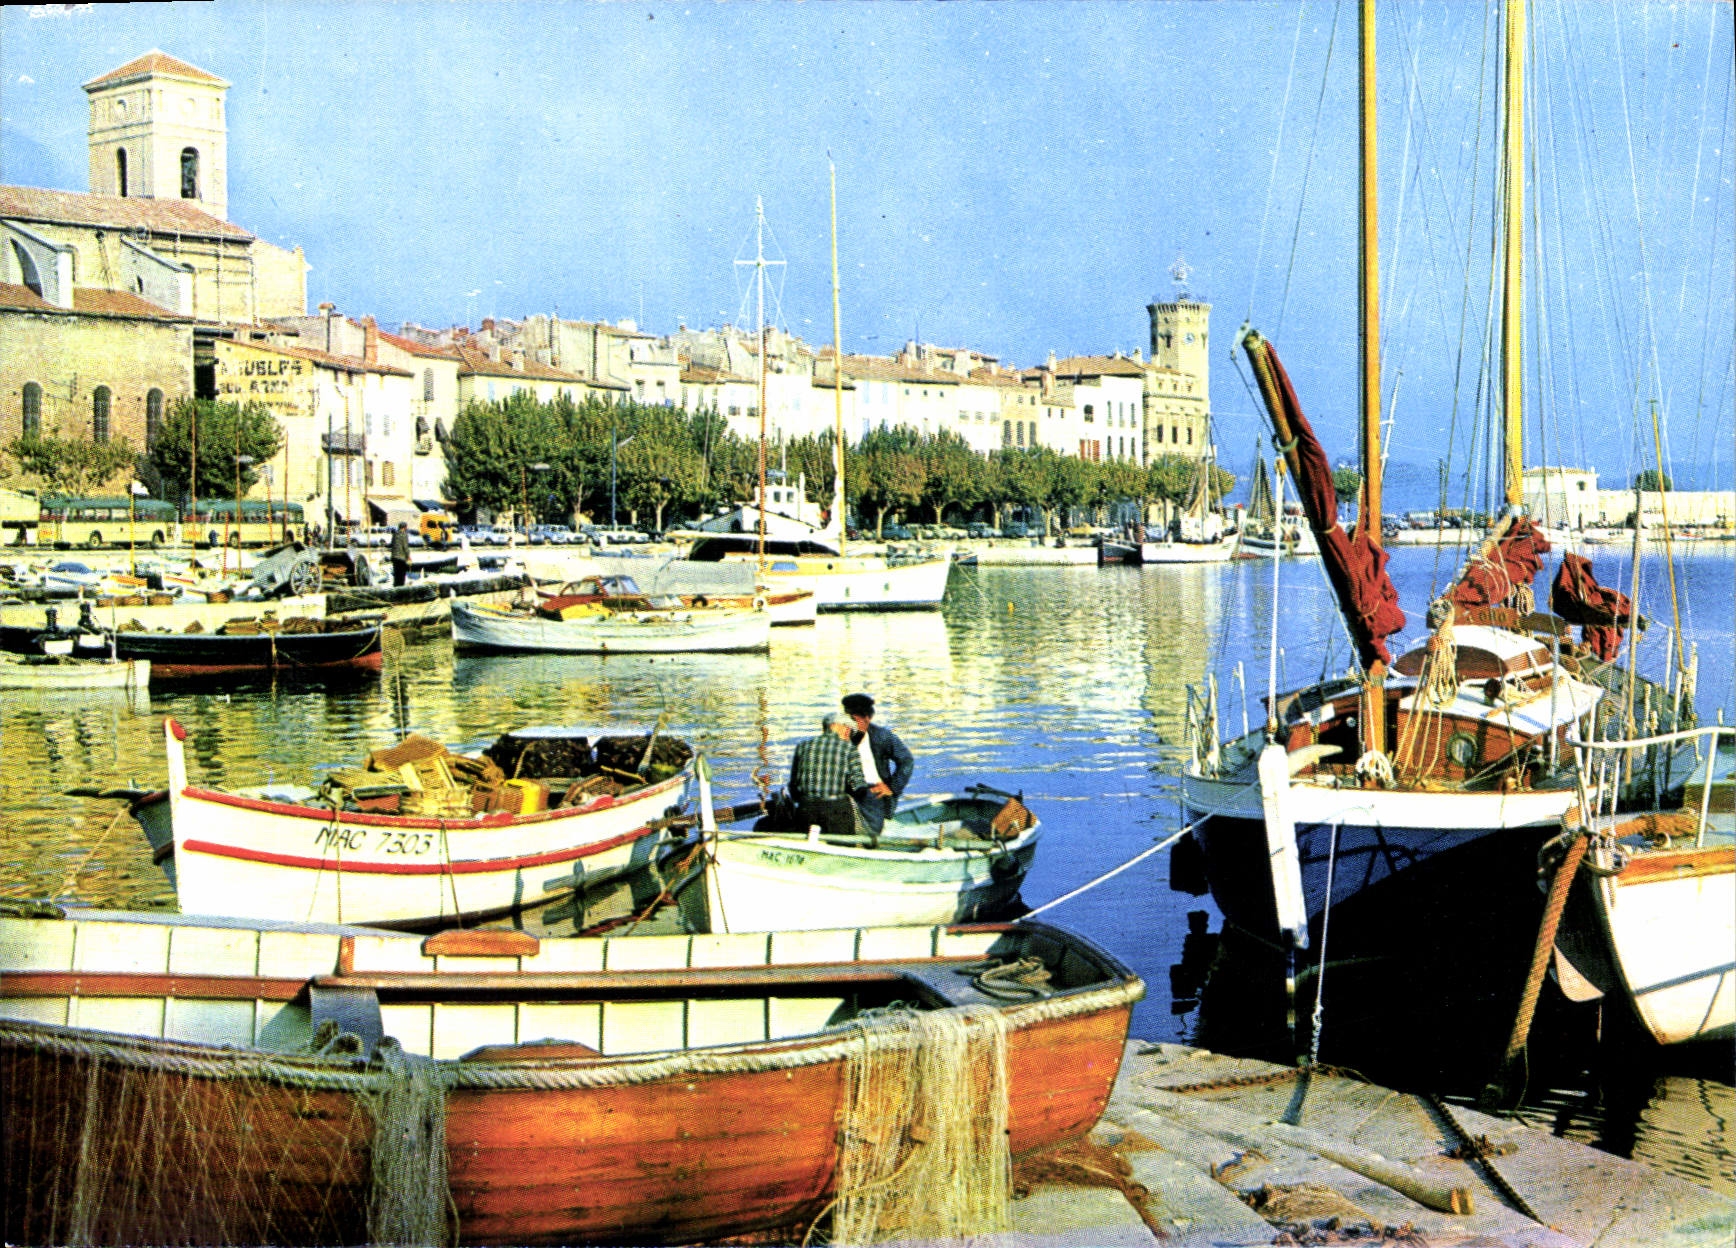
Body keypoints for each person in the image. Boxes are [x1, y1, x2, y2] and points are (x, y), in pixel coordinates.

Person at [842, 692, 914, 836]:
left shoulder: (881, 736)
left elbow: (906, 760)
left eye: (855, 720)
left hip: (875, 794)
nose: (851, 725)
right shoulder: (842, 735)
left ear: (867, 719)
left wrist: (892, 788)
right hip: (850, 793)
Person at [787, 711, 867, 840]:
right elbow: (859, 786)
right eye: (849, 729)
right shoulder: (849, 748)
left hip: (806, 810)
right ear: (836, 726)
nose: (849, 734)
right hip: (835, 812)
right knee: (845, 846)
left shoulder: (802, 746)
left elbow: (793, 786)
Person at [389, 521, 412, 587]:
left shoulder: (395, 534)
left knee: (396, 574)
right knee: (401, 576)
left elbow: (392, 545)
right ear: (405, 527)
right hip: (401, 558)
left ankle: (395, 588)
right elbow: (405, 547)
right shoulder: (404, 534)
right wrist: (408, 557)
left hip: (394, 557)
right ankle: (401, 590)